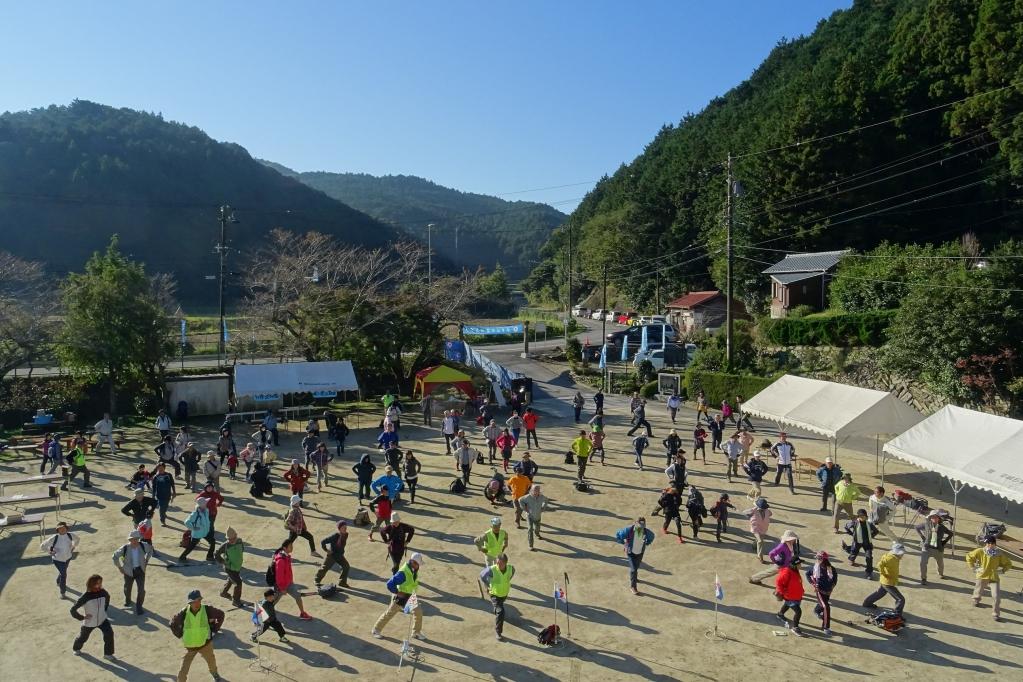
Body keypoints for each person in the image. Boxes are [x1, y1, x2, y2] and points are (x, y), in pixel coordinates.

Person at [171, 589, 225, 681]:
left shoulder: (207, 609)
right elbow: (172, 624)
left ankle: (215, 674)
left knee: (211, 660)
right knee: (183, 669)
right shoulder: (184, 612)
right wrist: (180, 635)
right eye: (193, 602)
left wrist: (214, 630)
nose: (196, 604)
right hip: (190, 646)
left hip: (205, 644)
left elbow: (221, 614)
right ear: (189, 603)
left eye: (198, 601)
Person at [372, 552, 426, 641]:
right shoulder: (403, 573)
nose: (419, 566)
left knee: (418, 612)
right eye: (418, 564)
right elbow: (389, 584)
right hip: (400, 596)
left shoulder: (413, 570)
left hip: (410, 596)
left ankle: (416, 632)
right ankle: (376, 630)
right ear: (413, 562)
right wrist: (397, 592)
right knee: (390, 613)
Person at [966, 535, 1013, 621]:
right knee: (978, 589)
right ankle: (976, 599)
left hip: (993, 577)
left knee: (996, 596)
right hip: (982, 575)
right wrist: (973, 568)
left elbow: (1008, 563)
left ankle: (996, 613)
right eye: (987, 543)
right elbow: (969, 556)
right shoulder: (980, 551)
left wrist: (1002, 571)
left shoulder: (999, 554)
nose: (987, 545)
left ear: (994, 544)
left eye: (989, 543)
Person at [70, 574, 115, 660]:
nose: (100, 585)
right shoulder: (85, 596)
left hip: (102, 619)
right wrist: (82, 617)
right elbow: (72, 610)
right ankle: (76, 648)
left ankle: (108, 654)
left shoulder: (103, 592)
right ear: (91, 584)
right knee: (83, 637)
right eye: (97, 583)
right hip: (90, 621)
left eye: (100, 583)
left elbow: (107, 598)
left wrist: (103, 610)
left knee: (109, 634)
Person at [113, 530, 152, 615]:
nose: (134, 541)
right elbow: (115, 556)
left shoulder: (143, 545)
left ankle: (139, 607)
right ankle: (128, 600)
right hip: (128, 571)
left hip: (140, 571)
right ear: (129, 540)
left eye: (136, 539)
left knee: (141, 590)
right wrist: (119, 567)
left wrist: (147, 560)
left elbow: (151, 550)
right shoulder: (125, 548)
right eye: (132, 539)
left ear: (138, 539)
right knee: (127, 588)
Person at [271, 540, 313, 620]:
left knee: (297, 596)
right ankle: (264, 615)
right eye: (290, 546)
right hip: (280, 586)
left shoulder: (286, 556)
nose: (292, 547)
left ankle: (302, 613)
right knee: (272, 602)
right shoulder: (281, 560)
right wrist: (282, 589)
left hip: (289, 583)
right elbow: (279, 577)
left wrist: (291, 581)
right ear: (285, 548)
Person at [862, 543, 907, 616]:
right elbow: (879, 565)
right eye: (902, 553)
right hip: (888, 582)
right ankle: (897, 615)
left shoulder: (894, 557)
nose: (902, 555)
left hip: (886, 581)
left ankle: (867, 603)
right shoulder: (890, 558)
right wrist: (883, 573)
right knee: (900, 599)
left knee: (879, 593)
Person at [479, 553, 516, 641]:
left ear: (505, 563)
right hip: (494, 594)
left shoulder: (511, 568)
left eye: (501, 563)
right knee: (501, 611)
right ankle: (498, 632)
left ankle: (496, 609)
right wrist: (488, 585)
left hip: (504, 594)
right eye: (498, 563)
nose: (498, 565)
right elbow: (482, 575)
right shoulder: (492, 570)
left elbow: (512, 573)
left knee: (499, 607)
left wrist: (506, 582)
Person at [615, 518, 655, 595]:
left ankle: (634, 578)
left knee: (636, 568)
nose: (641, 529)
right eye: (639, 527)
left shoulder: (646, 532)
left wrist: (647, 543)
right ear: (635, 524)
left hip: (640, 553)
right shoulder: (628, 530)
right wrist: (623, 543)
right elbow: (618, 535)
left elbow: (652, 537)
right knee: (633, 569)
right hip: (631, 553)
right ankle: (633, 587)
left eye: (643, 527)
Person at [41, 521, 79, 599]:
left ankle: (58, 581)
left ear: (66, 529)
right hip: (57, 560)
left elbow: (77, 539)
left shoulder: (70, 535)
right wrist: (50, 551)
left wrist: (73, 546)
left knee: (63, 572)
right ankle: (63, 592)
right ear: (57, 530)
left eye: (64, 528)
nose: (62, 530)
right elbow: (42, 546)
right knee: (64, 574)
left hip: (68, 558)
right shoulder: (54, 537)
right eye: (60, 529)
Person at [806, 550, 838, 636]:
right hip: (819, 591)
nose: (817, 560)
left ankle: (817, 610)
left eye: (819, 558)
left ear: (824, 560)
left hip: (828, 591)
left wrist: (831, 588)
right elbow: (807, 574)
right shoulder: (815, 568)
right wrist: (813, 584)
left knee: (823, 603)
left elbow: (835, 580)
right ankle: (826, 627)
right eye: (817, 558)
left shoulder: (831, 569)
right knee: (826, 607)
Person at [915, 512, 952, 584]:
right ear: (930, 518)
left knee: (940, 563)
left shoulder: (942, 527)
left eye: (936, 517)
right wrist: (922, 537)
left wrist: (944, 542)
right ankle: (923, 578)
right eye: (932, 517)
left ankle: (940, 574)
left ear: (939, 519)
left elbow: (951, 534)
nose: (934, 518)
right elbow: (916, 527)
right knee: (923, 563)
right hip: (927, 548)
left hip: (938, 548)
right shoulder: (926, 524)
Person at [176, 498, 215, 566]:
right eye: (206, 503)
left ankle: (209, 556)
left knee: (213, 541)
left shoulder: (206, 510)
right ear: (202, 505)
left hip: (205, 532)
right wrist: (193, 528)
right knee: (191, 546)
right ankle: (182, 558)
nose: (207, 503)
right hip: (198, 533)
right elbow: (186, 522)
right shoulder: (195, 514)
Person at [774, 558, 806, 637]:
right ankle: (795, 628)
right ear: (794, 565)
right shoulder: (787, 572)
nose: (800, 565)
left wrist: (801, 590)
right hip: (790, 597)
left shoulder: (795, 570)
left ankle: (780, 614)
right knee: (798, 612)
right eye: (799, 564)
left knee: (787, 605)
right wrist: (784, 593)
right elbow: (778, 582)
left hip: (796, 595)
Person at [214, 527, 245, 607]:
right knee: (238, 583)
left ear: (236, 536)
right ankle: (236, 600)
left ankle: (223, 592)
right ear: (227, 539)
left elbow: (242, 550)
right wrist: (223, 561)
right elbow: (216, 554)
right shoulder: (225, 545)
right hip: (229, 568)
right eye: (230, 539)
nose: (232, 540)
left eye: (233, 538)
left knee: (231, 579)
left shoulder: (240, 541)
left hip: (237, 566)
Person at [315, 519, 351, 588]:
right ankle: (316, 580)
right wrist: (326, 550)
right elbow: (323, 542)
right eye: (343, 527)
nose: (345, 529)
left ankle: (342, 582)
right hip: (332, 555)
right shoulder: (335, 536)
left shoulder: (346, 535)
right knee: (324, 568)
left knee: (346, 566)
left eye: (346, 527)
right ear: (339, 529)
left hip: (340, 555)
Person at [843, 508, 876, 577]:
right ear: (858, 517)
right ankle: (851, 559)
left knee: (869, 557)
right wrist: (852, 534)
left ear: (866, 517)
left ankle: (869, 571)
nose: (862, 517)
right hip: (857, 542)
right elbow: (846, 527)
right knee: (854, 552)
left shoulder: (869, 524)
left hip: (867, 543)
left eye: (863, 516)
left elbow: (876, 531)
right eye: (860, 516)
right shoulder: (855, 523)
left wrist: (871, 536)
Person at [518, 484, 548, 550]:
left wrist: (543, 508)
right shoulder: (528, 497)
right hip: (530, 516)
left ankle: (537, 534)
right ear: (531, 490)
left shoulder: (541, 497)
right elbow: (520, 500)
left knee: (537, 528)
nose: (536, 491)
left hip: (537, 516)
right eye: (534, 490)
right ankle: (530, 545)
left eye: (537, 490)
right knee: (530, 529)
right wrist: (524, 509)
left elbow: (546, 500)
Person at [743, 497, 773, 564]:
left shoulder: (767, 511)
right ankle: (760, 557)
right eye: (761, 508)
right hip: (755, 528)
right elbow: (744, 512)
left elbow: (771, 514)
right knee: (760, 541)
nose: (762, 509)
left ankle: (754, 546)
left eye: (763, 508)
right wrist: (750, 517)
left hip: (763, 528)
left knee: (758, 540)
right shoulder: (753, 510)